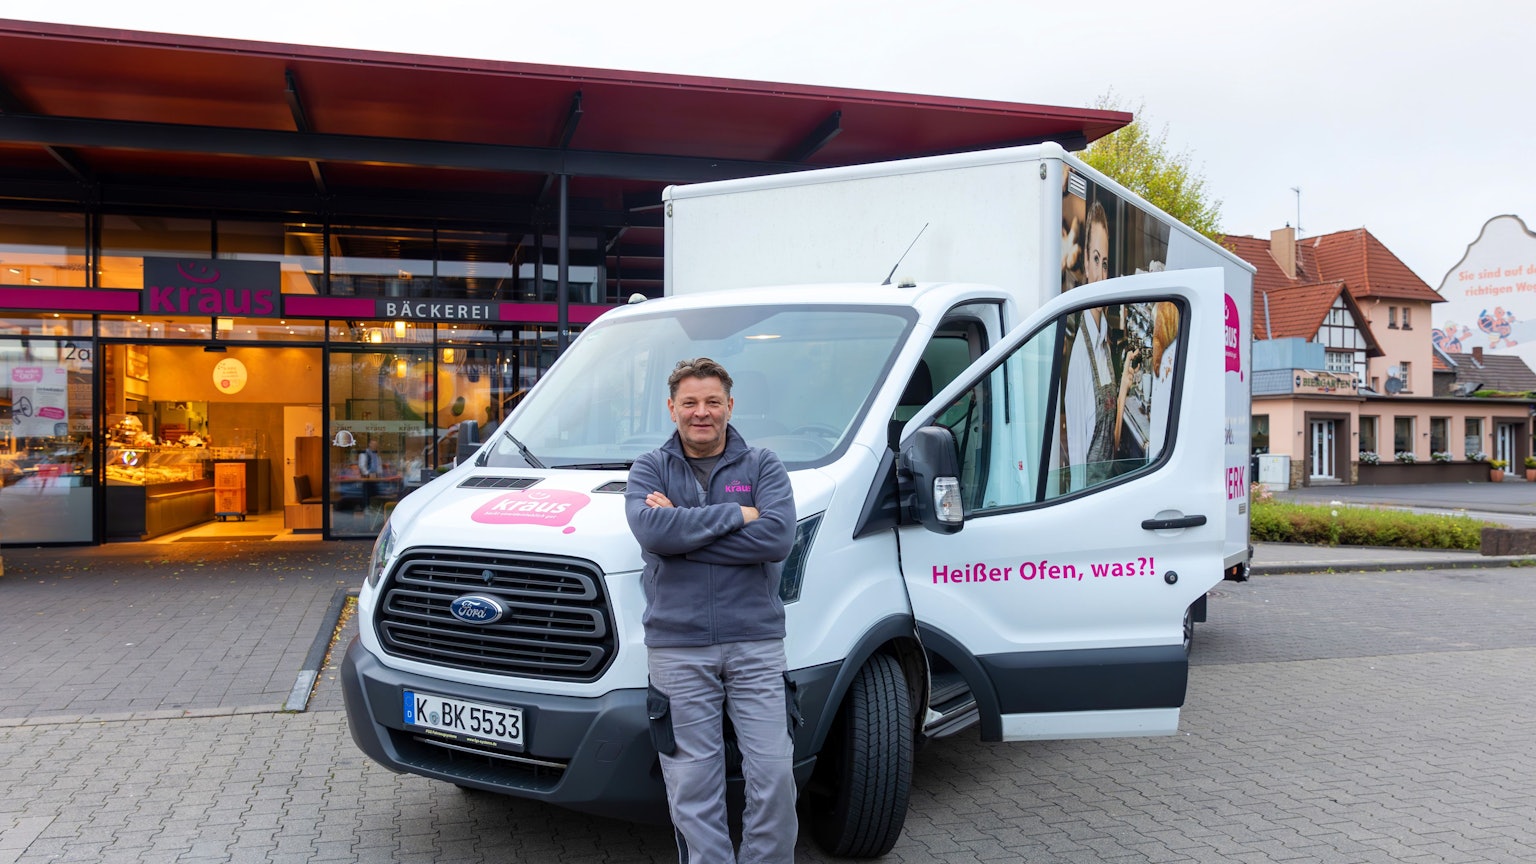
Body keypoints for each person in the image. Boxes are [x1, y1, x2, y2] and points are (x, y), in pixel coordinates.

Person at [624, 357, 798, 864]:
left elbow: (776, 538)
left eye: (713, 402)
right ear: (672, 407)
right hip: (678, 648)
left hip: (756, 643)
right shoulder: (649, 468)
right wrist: (733, 517)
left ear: (730, 405)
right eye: (691, 403)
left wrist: (682, 529)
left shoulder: (763, 464)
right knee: (692, 787)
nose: (702, 413)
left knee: (774, 773)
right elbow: (652, 533)